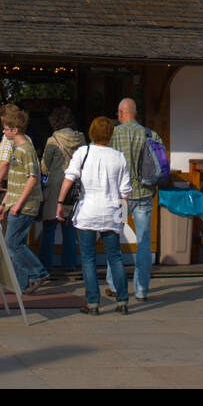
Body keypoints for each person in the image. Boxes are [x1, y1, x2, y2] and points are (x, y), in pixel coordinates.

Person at [57, 116, 130, 315]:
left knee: (88, 259)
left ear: (91, 132)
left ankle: (93, 303)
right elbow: (125, 192)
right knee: (114, 257)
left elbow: (69, 178)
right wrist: (122, 219)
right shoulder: (119, 157)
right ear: (110, 134)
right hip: (111, 212)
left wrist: (60, 203)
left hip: (87, 212)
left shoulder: (83, 152)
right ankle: (122, 301)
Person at [105, 98, 163, 302]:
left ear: (121, 113)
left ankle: (113, 284)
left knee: (114, 239)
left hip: (121, 198)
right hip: (145, 195)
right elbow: (161, 164)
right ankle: (141, 289)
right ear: (135, 113)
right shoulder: (150, 134)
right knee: (144, 242)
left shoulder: (113, 135)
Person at [0, 105, 48, 295]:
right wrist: (5, 204)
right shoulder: (16, 148)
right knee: (16, 242)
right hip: (14, 202)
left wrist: (18, 203)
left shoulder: (25, 149)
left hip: (25, 205)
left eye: (6, 129)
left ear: (15, 130)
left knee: (12, 243)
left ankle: (38, 272)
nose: (3, 132)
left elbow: (32, 177)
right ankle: (21, 283)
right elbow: (15, 181)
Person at [39, 106, 83, 274]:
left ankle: (45, 266)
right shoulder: (81, 138)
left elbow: (44, 167)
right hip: (73, 186)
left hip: (56, 186)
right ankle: (70, 264)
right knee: (69, 227)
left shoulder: (52, 141)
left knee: (49, 226)